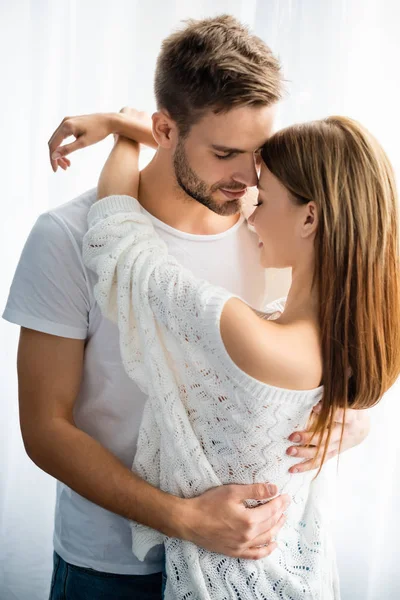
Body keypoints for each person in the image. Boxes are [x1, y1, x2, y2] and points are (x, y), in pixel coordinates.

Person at [3, 15, 369, 600]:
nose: (249, 176)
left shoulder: (276, 226)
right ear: (165, 131)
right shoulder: (66, 236)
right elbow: (44, 429)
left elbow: (318, 354)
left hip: (256, 565)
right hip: (111, 569)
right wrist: (184, 518)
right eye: (226, 152)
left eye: (260, 151)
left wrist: (346, 417)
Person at [70, 109, 399, 599]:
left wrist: (123, 131)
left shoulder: (245, 333)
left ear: (310, 217)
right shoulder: (348, 339)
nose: (249, 211)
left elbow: (118, 239)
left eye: (262, 200)